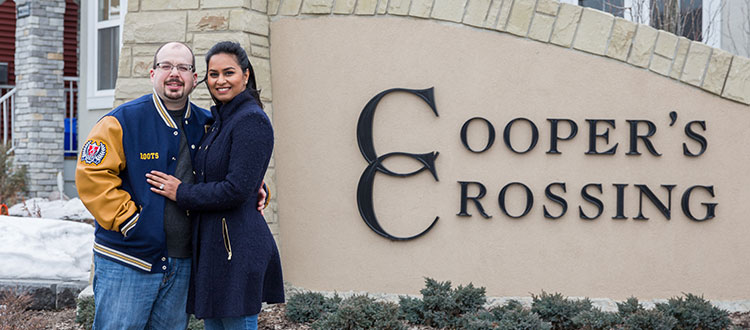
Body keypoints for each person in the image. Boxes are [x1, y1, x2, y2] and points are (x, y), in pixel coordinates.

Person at [76, 41, 267, 329]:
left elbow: (231, 167)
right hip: (129, 260)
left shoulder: (208, 123)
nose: (174, 73)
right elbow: (92, 175)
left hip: (183, 265)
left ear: (194, 79)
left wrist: (256, 184)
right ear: (152, 73)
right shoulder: (122, 121)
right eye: (166, 66)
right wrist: (129, 221)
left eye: (183, 68)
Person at [146, 41, 284, 330]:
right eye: (213, 74)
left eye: (229, 73)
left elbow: (235, 189)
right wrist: (259, 184)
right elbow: (233, 176)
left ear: (246, 75)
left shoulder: (251, 120)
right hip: (214, 249)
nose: (220, 80)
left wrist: (180, 191)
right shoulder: (220, 120)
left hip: (236, 250)